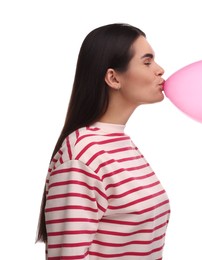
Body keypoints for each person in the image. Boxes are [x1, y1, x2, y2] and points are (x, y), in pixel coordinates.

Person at [36, 23, 170, 259]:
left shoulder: (120, 143)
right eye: (147, 62)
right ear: (113, 78)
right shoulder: (81, 154)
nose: (160, 70)